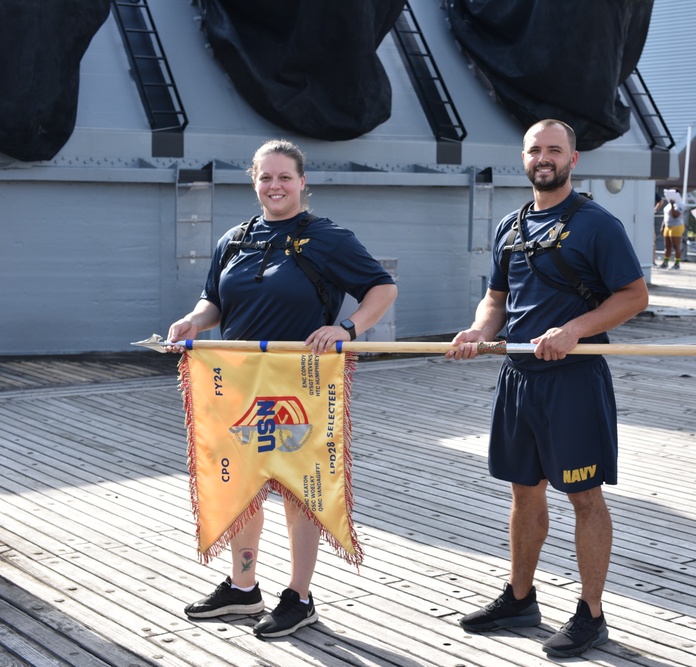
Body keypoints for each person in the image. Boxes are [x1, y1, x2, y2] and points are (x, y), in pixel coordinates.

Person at [167, 139, 397, 638]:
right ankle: (244, 589)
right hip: (241, 383)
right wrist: (192, 322)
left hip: (302, 383)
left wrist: (348, 329)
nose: (275, 186)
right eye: (266, 178)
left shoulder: (327, 238)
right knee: (244, 485)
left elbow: (382, 288)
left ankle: (299, 596)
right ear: (255, 182)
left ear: (302, 182)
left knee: (299, 489)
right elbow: (214, 302)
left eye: (284, 178)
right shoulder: (235, 239)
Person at [446, 119, 648, 658]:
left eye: (554, 150)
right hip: (518, 377)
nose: (544, 158)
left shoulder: (596, 225)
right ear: (524, 156)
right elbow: (496, 296)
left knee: (584, 496)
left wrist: (574, 329)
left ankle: (592, 615)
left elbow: (634, 295)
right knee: (523, 491)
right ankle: (520, 599)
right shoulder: (509, 227)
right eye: (535, 149)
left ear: (572, 160)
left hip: (574, 380)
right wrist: (480, 330)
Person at [661, 189, 685, 269]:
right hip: (667, 226)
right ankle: (665, 262)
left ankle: (677, 264)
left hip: (676, 226)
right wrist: (663, 226)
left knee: (676, 246)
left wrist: (672, 205)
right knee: (667, 246)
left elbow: (675, 215)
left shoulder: (680, 204)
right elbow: (665, 216)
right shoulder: (668, 204)